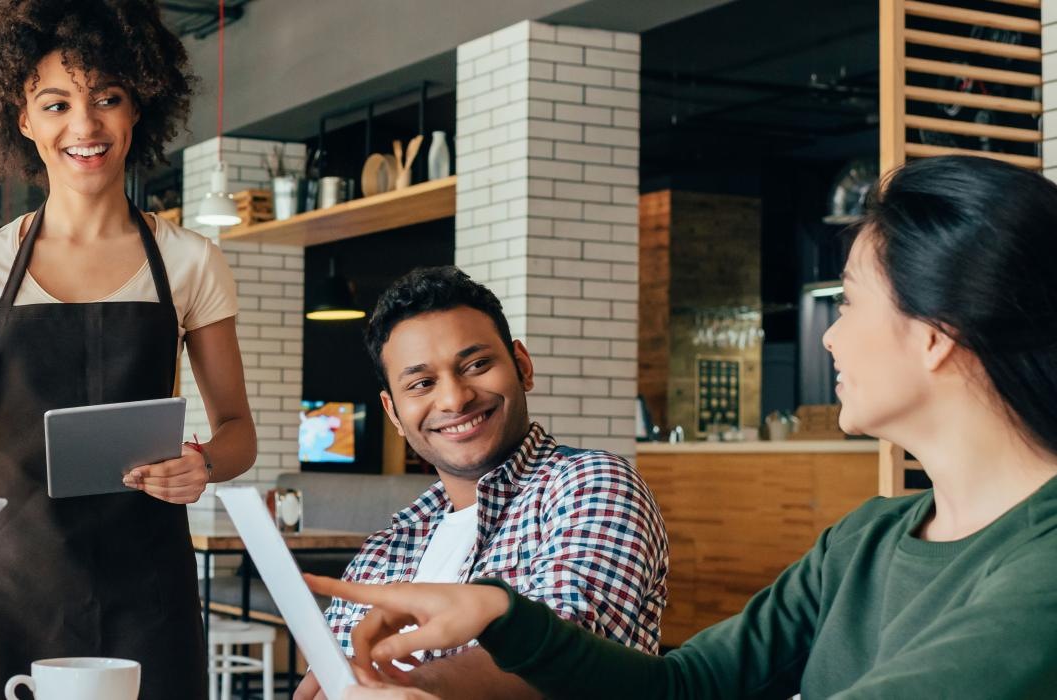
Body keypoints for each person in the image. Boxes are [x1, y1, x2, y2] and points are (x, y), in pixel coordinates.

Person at [306, 155, 1057, 699]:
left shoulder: (1042, 566)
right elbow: (684, 686)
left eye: (849, 303)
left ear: (935, 334)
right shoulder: (864, 542)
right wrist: (503, 614)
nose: (827, 336)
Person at [0, 1, 257, 697]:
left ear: (139, 107)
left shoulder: (191, 261)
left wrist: (202, 464)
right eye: (55, 104)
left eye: (108, 97)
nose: (85, 126)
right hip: (20, 581)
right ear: (21, 118)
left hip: (151, 581)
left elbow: (239, 432)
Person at [295, 267, 668, 700]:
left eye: (476, 365)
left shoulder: (592, 485)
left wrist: (403, 688)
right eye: (421, 383)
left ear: (522, 366)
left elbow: (568, 652)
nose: (454, 399)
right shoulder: (387, 548)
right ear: (393, 412)